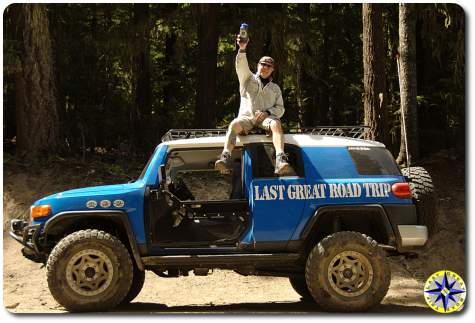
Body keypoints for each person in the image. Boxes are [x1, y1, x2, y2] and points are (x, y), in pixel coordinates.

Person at [215, 34, 289, 175]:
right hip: (247, 118)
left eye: (269, 66)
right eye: (263, 64)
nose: (265, 67)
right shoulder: (247, 78)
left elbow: (280, 109)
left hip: (265, 120)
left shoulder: (275, 88)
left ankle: (280, 158)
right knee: (234, 124)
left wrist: (267, 112)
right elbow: (240, 65)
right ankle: (225, 156)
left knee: (276, 123)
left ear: (272, 70)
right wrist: (242, 48)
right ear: (258, 65)